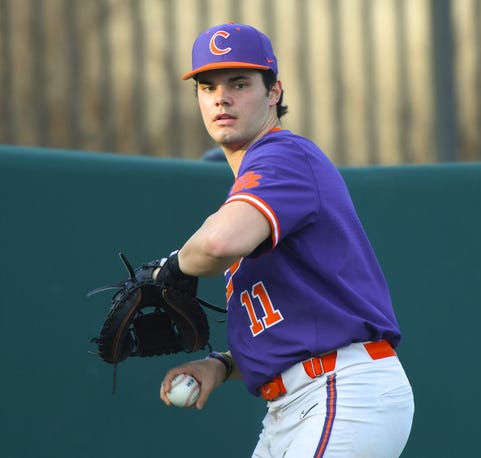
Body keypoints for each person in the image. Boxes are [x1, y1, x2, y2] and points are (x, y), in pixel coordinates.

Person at [156, 22, 414, 457]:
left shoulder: (282, 156)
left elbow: (219, 243)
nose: (221, 97)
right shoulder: (257, 186)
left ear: (274, 91)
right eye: (207, 86)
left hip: (341, 392)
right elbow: (300, 327)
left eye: (239, 83)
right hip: (297, 405)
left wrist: (172, 266)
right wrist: (220, 365)